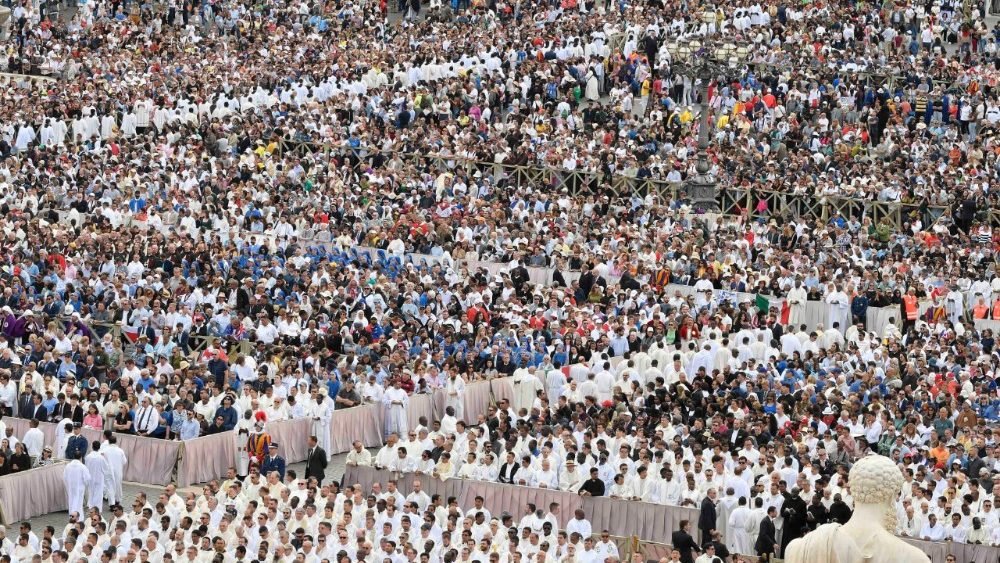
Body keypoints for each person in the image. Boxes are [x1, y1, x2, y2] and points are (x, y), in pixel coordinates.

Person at [101, 435, 128, 510]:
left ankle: (112, 504)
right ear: (116, 441)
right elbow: (124, 461)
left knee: (110, 486)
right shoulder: (120, 450)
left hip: (108, 471)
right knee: (118, 485)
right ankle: (117, 501)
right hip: (118, 471)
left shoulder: (105, 450)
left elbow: (102, 460)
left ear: (109, 441)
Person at [63, 452, 91, 520]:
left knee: (71, 502)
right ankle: (78, 518)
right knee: (78, 503)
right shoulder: (82, 467)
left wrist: (68, 484)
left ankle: (72, 516)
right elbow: (87, 479)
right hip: (79, 488)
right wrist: (85, 484)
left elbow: (64, 477)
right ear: (81, 457)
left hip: (70, 488)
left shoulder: (68, 466)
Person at [84, 442, 110, 510]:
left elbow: (86, 467)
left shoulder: (88, 457)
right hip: (99, 477)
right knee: (98, 493)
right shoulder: (101, 458)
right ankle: (97, 507)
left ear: (92, 447)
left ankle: (90, 505)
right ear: (99, 448)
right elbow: (106, 468)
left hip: (90, 477)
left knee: (90, 491)